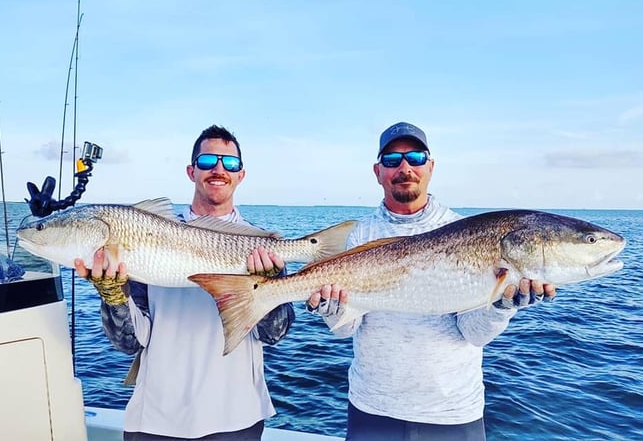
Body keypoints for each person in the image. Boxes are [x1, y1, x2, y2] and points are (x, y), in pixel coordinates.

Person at [306, 122, 557, 441]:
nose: (405, 167)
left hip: (451, 414)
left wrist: (502, 306)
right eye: (392, 160)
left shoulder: (465, 231)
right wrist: (331, 309)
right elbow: (345, 329)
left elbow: (473, 333)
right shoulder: (360, 235)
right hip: (372, 408)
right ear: (378, 171)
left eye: (415, 157)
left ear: (431, 166)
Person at [74, 125, 295, 441]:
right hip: (157, 419)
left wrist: (268, 289)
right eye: (207, 162)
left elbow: (274, 334)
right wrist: (113, 295)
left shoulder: (260, 247)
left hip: (236, 417)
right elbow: (128, 343)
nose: (218, 170)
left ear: (241, 175)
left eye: (229, 163)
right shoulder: (143, 234)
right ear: (191, 171)